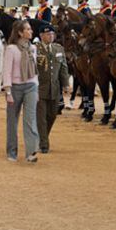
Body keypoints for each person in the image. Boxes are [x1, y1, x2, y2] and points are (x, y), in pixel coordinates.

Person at [2, 20, 40, 163]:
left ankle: (31, 152)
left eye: (30, 29)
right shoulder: (11, 49)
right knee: (12, 121)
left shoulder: (33, 48)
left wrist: (36, 87)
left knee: (30, 119)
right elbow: (7, 71)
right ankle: (12, 152)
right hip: (15, 88)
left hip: (31, 86)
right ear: (20, 32)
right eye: (28, 29)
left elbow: (35, 70)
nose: (31, 31)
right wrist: (8, 92)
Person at [35, 24, 70, 153]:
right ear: (41, 36)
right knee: (41, 118)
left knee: (52, 116)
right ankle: (44, 144)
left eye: (52, 34)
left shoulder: (58, 49)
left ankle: (42, 137)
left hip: (54, 89)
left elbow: (63, 68)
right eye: (48, 34)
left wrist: (66, 84)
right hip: (39, 89)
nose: (51, 36)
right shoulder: (35, 49)